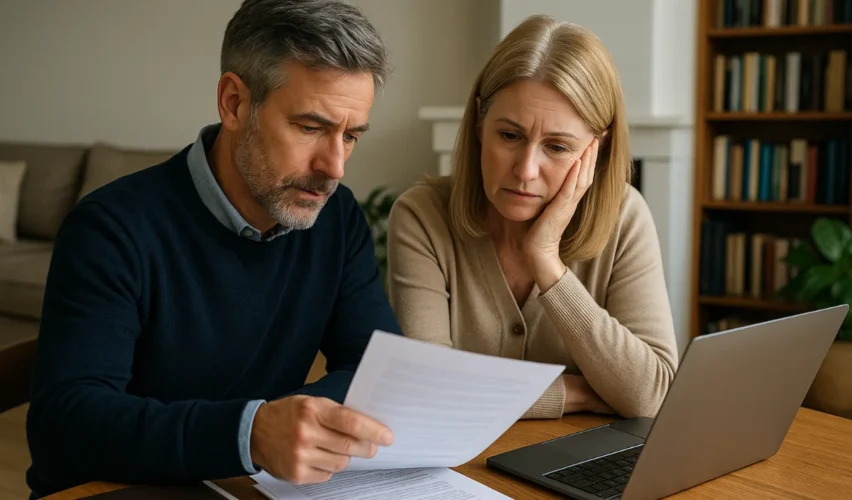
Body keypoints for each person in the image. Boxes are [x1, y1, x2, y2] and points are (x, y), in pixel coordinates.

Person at [26, 0, 401, 497]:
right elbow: (64, 426)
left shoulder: (336, 217)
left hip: (242, 485)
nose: (335, 166)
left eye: (350, 135)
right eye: (310, 128)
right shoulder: (110, 229)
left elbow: (380, 369)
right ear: (234, 103)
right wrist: (251, 432)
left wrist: (285, 428)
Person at [386, 15, 679, 421]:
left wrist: (547, 261)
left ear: (597, 148)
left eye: (557, 147)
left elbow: (652, 394)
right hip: (461, 470)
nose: (525, 170)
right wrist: (576, 393)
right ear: (477, 123)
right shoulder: (421, 217)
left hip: (577, 466)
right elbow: (427, 390)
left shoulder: (625, 217)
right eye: (509, 136)